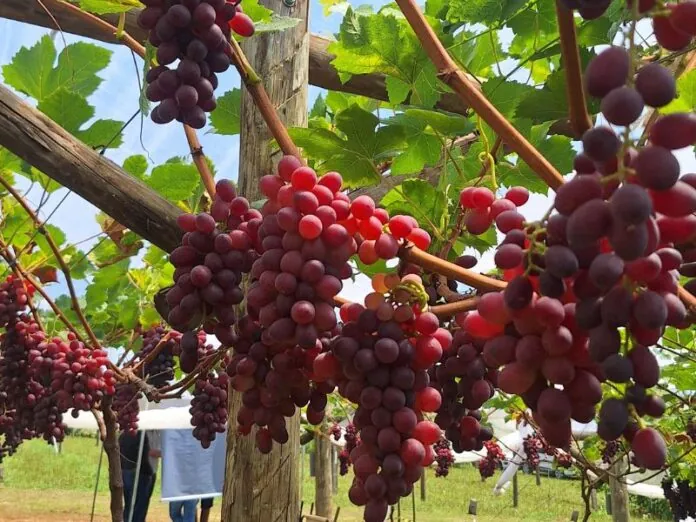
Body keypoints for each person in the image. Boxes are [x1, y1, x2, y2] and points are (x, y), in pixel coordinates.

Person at [120, 431, 155, 522]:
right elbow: (144, 456)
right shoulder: (141, 435)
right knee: (139, 507)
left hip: (125, 471)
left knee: (129, 506)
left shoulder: (123, 435)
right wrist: (149, 473)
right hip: (140, 474)